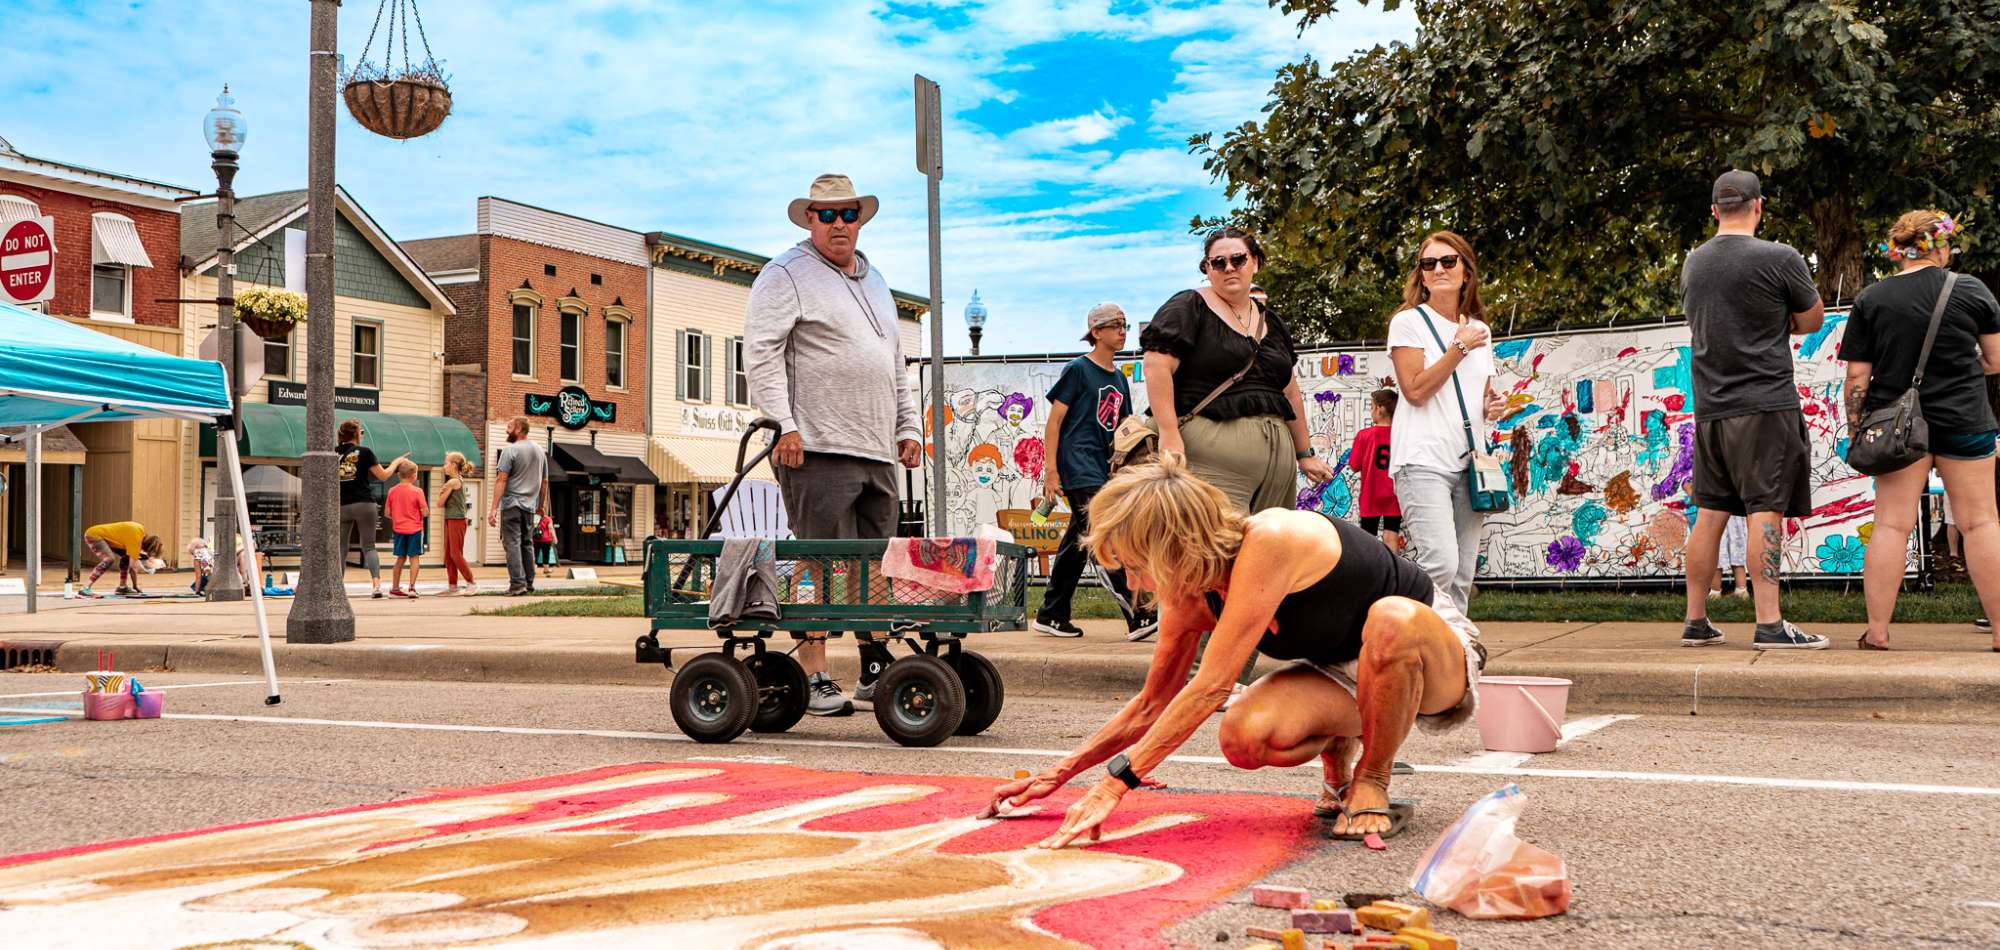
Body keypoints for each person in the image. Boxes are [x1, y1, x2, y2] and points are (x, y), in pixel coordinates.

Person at [981, 459, 1483, 845]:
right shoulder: (1189, 595)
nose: (1133, 583)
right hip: (1339, 672)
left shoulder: (1271, 540)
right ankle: (1339, 766)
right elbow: (1152, 704)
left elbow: (1211, 687)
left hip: (1431, 660)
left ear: (1172, 548)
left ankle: (1373, 777)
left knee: (1391, 619)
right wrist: (1056, 775)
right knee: (1244, 737)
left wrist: (1116, 785)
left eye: (1135, 566)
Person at [744, 173, 923, 717]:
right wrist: (783, 425)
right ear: (809, 219)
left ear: (860, 219)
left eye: (848, 213)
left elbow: (893, 361)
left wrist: (908, 427)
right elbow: (761, 353)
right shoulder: (785, 274)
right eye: (827, 214)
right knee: (818, 561)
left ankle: (874, 666)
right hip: (816, 445)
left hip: (876, 447)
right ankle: (814, 674)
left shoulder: (876, 280)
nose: (839, 223)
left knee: (876, 563)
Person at [1141, 227, 1335, 700]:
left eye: (1238, 259)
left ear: (1255, 263)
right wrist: (1169, 434)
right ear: (1206, 268)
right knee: (1207, 563)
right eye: (1218, 261)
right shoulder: (1189, 307)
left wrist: (1305, 451)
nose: (1229, 268)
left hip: (1275, 459)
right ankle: (1188, 679)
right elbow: (1157, 365)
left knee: (1263, 570)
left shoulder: (1270, 321)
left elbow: (1289, 391)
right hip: (1211, 450)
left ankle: (1228, 677)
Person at [1679, 170, 1828, 649]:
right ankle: (1769, 623)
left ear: (1714, 211)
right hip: (1764, 404)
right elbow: (1812, 319)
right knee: (1765, 510)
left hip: (1711, 408)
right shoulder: (1780, 258)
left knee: (1710, 513)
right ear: (1759, 205)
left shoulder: (1693, 264)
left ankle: (1696, 620)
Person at [1841, 210, 2000, 651]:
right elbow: (1995, 360)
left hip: (1897, 425)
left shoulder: (1872, 299)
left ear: (1899, 251)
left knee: (1891, 525)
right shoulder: (1971, 290)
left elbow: (1857, 378)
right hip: (1966, 419)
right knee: (1981, 523)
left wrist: (1857, 429)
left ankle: (1878, 632)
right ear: (1940, 246)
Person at [1386, 230, 1507, 615]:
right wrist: (1459, 347)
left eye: (1448, 261)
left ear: (1466, 272)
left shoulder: (1480, 330)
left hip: (1471, 462)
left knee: (1462, 574)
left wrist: (1492, 406)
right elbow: (1415, 390)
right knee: (1440, 564)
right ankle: (1406, 636)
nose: (1438, 268)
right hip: (1422, 459)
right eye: (1429, 263)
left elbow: (1479, 396)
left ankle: (1453, 649)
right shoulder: (1408, 322)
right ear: (1421, 276)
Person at [1033, 303, 1157, 641]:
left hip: (1102, 469)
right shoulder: (1077, 370)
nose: (1122, 332)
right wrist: (1051, 471)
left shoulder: (1119, 378)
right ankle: (1139, 614)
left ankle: (1052, 613)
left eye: (1124, 326)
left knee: (1079, 541)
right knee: (1106, 537)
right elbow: (1054, 422)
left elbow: (1123, 430)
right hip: (1077, 466)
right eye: (1115, 326)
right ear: (1096, 332)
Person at [337, 419, 410, 600]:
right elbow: (383, 475)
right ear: (356, 434)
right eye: (361, 432)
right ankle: (376, 586)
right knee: (368, 546)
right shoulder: (365, 452)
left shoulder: (334, 453)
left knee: (341, 547)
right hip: (364, 504)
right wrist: (397, 462)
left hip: (341, 505)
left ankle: (338, 587)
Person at [485, 416, 550, 597]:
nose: (506, 430)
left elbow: (501, 480)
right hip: (529, 507)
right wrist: (540, 506)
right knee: (527, 543)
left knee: (512, 543)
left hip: (511, 505)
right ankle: (528, 584)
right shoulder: (540, 451)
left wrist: (493, 508)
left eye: (509, 426)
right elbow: (545, 482)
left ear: (519, 429)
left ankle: (517, 584)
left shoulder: (510, 450)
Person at [1350, 387, 1404, 553]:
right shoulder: (1400, 435)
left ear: (1380, 409)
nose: (1371, 411)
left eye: (1372, 407)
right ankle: (1393, 568)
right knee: (1391, 536)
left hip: (1371, 493)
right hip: (1394, 491)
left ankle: (1371, 569)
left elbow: (1354, 465)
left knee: (1368, 539)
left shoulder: (1364, 435)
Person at [79, 521, 163, 598]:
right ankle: (85, 588)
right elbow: (133, 568)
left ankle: (122, 587)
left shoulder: (140, 531)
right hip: (94, 535)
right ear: (147, 547)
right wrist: (135, 586)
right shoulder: (136, 541)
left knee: (126, 557)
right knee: (109, 559)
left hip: (101, 534)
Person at [384, 459, 428, 598]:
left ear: (399, 475)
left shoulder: (392, 491)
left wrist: (398, 517)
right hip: (415, 529)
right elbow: (425, 512)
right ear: (414, 476)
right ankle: (412, 588)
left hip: (399, 530)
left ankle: (395, 588)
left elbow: (387, 513)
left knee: (400, 558)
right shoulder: (418, 491)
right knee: (414, 558)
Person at [437, 451, 476, 595]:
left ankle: (471, 583)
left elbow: (440, 503)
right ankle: (452, 586)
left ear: (453, 465)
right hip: (450, 518)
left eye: (446, 463)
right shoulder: (454, 481)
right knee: (448, 554)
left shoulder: (453, 482)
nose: (444, 466)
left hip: (457, 519)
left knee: (455, 554)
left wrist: (443, 491)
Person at [1710, 515, 1749, 599]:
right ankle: (1741, 590)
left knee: (1716, 552)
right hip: (1736, 515)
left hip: (1717, 513)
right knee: (1737, 553)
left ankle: (1715, 592)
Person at [535, 512, 558, 576]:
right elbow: (551, 528)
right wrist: (555, 538)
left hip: (535, 539)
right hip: (546, 539)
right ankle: (546, 569)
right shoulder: (548, 519)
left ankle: (532, 570)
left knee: (534, 555)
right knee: (546, 554)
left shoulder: (534, 518)